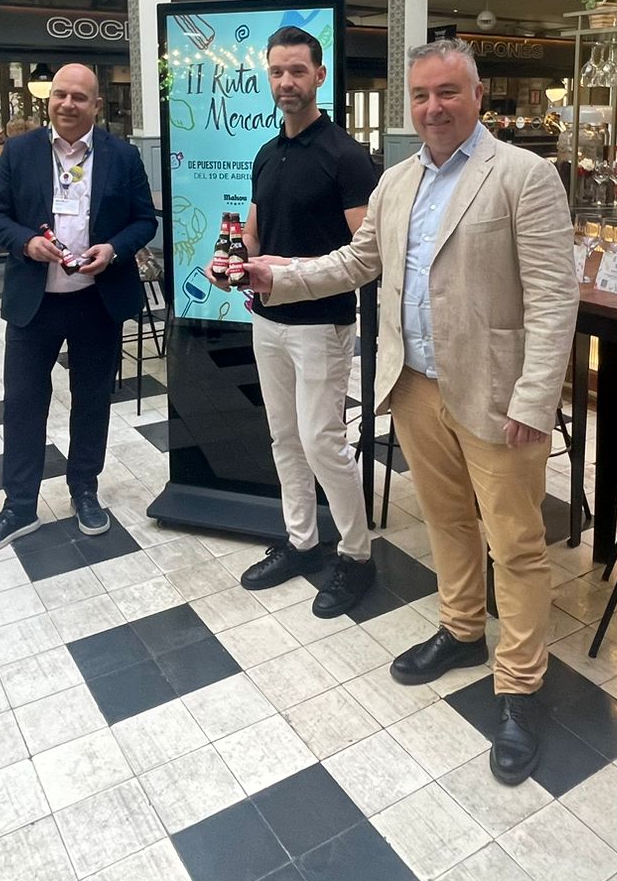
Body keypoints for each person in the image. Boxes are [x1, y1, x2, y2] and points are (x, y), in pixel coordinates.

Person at [243, 39, 577, 784]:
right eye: (421, 95)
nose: (433, 107)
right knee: (447, 522)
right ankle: (461, 629)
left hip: (496, 393)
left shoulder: (523, 176)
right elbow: (356, 262)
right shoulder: (397, 181)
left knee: (515, 544)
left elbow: (556, 300)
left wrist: (534, 397)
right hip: (416, 384)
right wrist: (278, 275)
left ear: (478, 95)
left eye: (448, 92)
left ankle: (521, 684)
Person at [212, 26, 379, 618]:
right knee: (283, 437)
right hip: (268, 319)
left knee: (321, 441)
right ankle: (302, 542)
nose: (287, 82)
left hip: (321, 325)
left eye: (298, 71)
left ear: (319, 76)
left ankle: (357, 555)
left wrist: (287, 270)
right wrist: (231, 263)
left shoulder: (347, 157)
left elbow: (366, 254)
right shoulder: (267, 152)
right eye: (278, 71)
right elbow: (254, 233)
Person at [0, 64, 157, 552]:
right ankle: (19, 507)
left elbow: (144, 221)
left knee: (92, 400)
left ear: (97, 105)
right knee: (23, 402)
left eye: (79, 97)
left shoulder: (122, 156)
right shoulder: (20, 152)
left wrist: (113, 249)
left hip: (97, 299)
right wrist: (26, 242)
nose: (68, 104)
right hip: (34, 303)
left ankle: (84, 490)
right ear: (49, 100)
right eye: (60, 95)